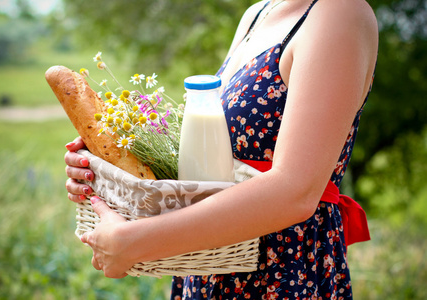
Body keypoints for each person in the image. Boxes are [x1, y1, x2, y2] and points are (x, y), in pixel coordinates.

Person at [64, 0, 378, 298]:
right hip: (213, 262)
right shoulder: (259, 12)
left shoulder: (339, 13)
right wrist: (106, 166)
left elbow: (296, 192)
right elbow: (220, 160)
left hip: (283, 271)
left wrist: (133, 242)